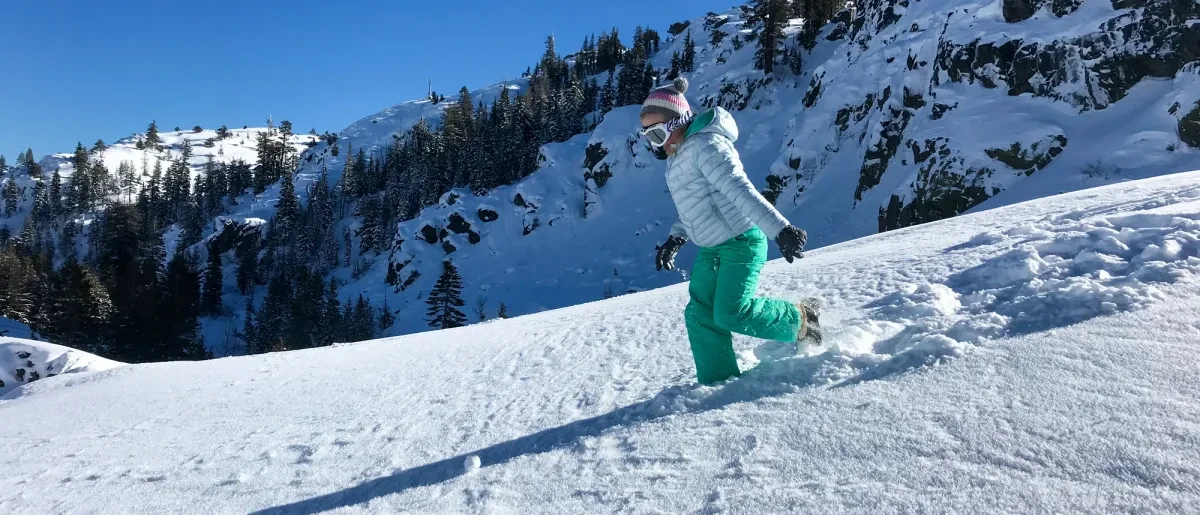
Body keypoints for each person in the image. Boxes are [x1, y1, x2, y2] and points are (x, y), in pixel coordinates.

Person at [640, 77, 821, 385]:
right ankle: (718, 382)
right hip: (712, 248)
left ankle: (802, 319)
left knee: (732, 312)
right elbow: (696, 206)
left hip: (741, 241)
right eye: (648, 137)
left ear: (679, 122)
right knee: (700, 315)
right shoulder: (679, 157)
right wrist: (676, 238)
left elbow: (739, 190)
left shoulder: (706, 146)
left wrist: (781, 229)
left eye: (657, 134)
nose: (656, 144)